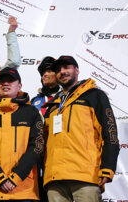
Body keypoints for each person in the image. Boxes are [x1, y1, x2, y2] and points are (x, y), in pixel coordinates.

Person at [42, 55, 120, 202]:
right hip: (55, 179)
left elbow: (110, 133)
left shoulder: (94, 95)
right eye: (58, 70)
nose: (62, 72)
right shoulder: (52, 105)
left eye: (66, 67)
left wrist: (108, 167)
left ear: (77, 70)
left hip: (85, 176)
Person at [0, 67, 44, 201]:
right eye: (2, 81)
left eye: (10, 80)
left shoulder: (31, 112)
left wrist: (16, 178)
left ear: (19, 86)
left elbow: (37, 147)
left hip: (25, 191)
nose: (6, 84)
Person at [31, 57, 59, 201]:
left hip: (60, 158)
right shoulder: (35, 101)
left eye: (49, 71)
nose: (45, 75)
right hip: (38, 161)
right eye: (43, 73)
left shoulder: (67, 98)